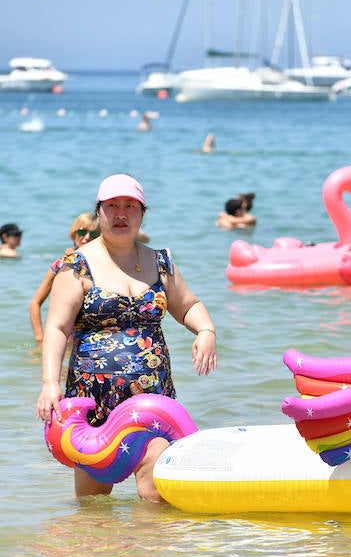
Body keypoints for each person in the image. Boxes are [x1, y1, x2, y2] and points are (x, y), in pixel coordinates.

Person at [36, 173, 217, 502]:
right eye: (112, 205)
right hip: (95, 404)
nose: (121, 213)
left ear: (142, 213)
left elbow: (188, 304)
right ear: (99, 212)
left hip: (152, 403)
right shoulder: (76, 266)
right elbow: (57, 328)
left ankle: (145, 552)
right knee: (94, 506)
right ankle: (101, 555)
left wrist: (206, 329)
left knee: (156, 490)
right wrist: (50, 382)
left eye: (130, 206)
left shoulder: (160, 262)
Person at [29, 212, 100, 344]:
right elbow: (35, 303)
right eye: (82, 232)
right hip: (65, 340)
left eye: (94, 234)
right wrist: (40, 339)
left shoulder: (104, 264)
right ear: (74, 233)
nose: (87, 237)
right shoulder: (61, 263)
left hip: (93, 340)